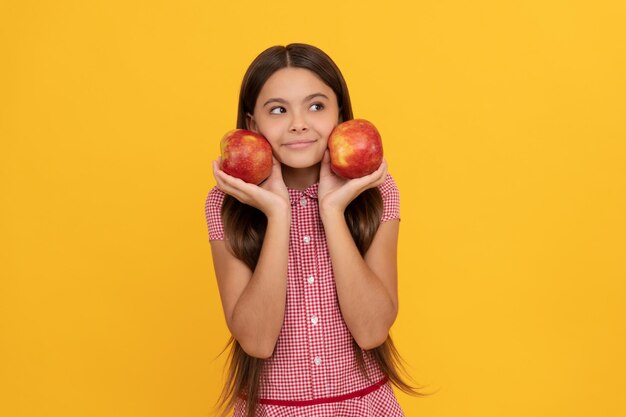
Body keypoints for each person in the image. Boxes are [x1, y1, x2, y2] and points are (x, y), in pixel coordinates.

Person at [205, 43, 422, 417]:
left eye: (317, 106)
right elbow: (256, 340)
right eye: (278, 110)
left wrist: (333, 210)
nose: (299, 123)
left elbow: (372, 331)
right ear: (252, 123)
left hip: (364, 407)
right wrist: (277, 214)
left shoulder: (377, 192)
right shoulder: (225, 203)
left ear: (341, 114)